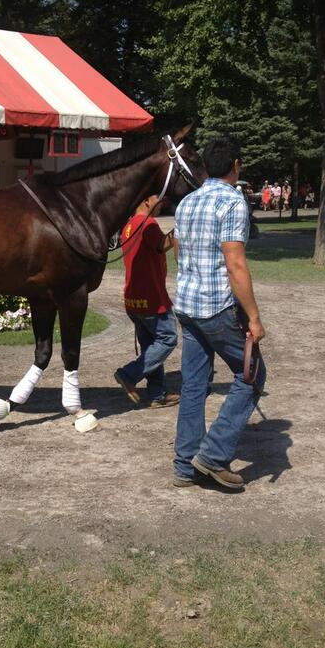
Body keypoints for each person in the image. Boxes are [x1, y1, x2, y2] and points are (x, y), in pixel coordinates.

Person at [172, 137, 266, 490]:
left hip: (187, 305)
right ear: (236, 165)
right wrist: (253, 317)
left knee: (193, 386)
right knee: (252, 375)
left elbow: (179, 251)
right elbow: (235, 264)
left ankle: (185, 466)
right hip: (216, 307)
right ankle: (212, 456)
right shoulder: (233, 202)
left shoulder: (187, 202)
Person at [114, 195, 179, 408]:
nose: (163, 203)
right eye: (159, 198)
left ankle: (157, 394)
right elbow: (163, 245)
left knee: (150, 346)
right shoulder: (147, 223)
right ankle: (129, 374)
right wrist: (182, 225)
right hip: (151, 297)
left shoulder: (129, 225)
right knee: (168, 338)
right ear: (147, 200)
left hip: (133, 298)